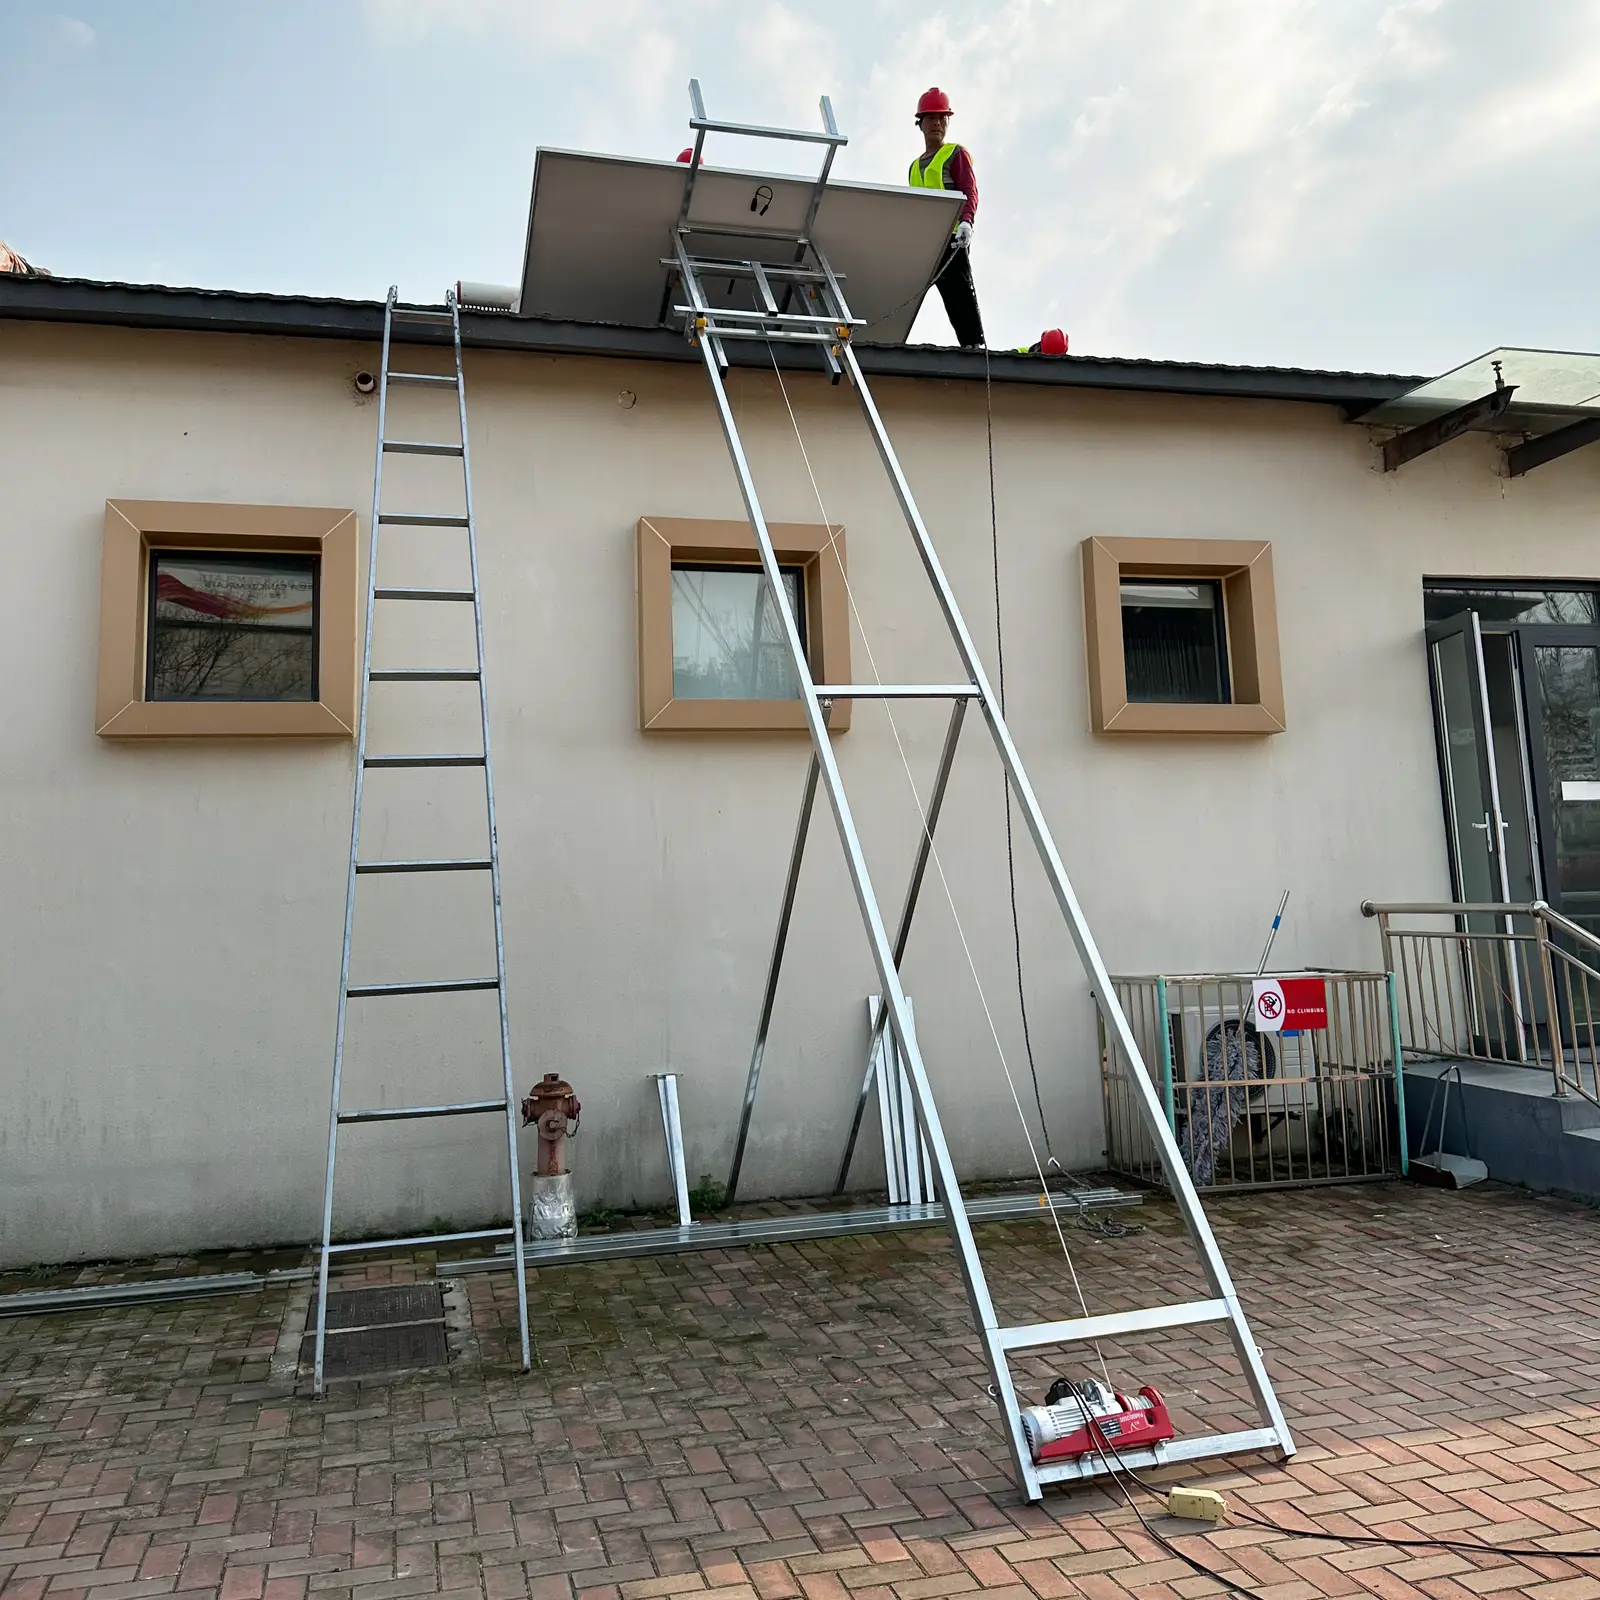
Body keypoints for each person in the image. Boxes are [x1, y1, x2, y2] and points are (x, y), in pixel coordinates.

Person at [907, 88, 983, 348]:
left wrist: (966, 221)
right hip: (927, 247)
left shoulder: (954, 154)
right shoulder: (914, 168)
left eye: (942, 118)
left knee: (960, 298)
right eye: (931, 118)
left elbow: (970, 190)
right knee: (914, 296)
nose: (937, 123)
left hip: (952, 241)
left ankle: (974, 347)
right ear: (921, 123)